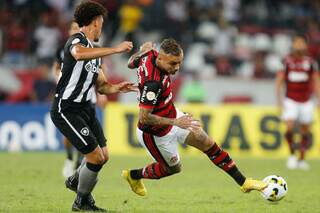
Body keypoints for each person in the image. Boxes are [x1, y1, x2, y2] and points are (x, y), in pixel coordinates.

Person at [122, 38, 267, 197]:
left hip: (171, 114)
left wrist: (143, 50)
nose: (176, 68)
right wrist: (176, 122)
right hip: (154, 133)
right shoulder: (153, 83)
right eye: (172, 64)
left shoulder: (149, 55)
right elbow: (144, 118)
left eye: (179, 63)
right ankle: (133, 175)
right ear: (160, 58)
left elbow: (130, 62)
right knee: (173, 169)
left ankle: (244, 182)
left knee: (207, 142)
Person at [50, 1, 135, 211]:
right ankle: (82, 201)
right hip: (66, 109)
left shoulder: (95, 53)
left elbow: (103, 87)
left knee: (104, 155)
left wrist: (117, 88)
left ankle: (75, 181)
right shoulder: (75, 41)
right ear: (95, 22)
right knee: (95, 157)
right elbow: (78, 54)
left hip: (86, 109)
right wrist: (115, 49)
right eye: (101, 23)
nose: (102, 28)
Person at [275, 34, 320, 170]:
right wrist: (279, 101)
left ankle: (301, 158)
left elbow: (316, 81)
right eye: (297, 43)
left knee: (305, 131)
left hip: (306, 100)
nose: (299, 45)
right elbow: (279, 82)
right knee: (289, 127)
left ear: (305, 45)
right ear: (293, 45)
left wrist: (319, 99)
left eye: (302, 43)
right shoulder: (286, 61)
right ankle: (292, 156)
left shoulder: (310, 62)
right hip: (291, 100)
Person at [53, 21, 83, 178]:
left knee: (84, 132)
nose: (75, 31)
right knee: (69, 133)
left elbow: (98, 70)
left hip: (84, 97)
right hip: (67, 95)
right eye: (73, 28)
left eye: (78, 28)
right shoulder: (62, 49)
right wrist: (58, 80)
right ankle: (70, 158)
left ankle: (79, 163)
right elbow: (57, 67)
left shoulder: (89, 49)